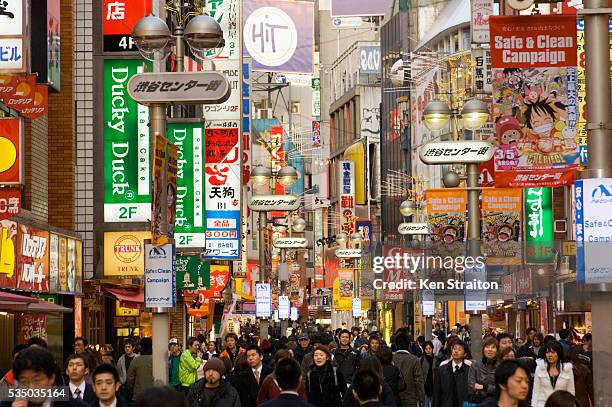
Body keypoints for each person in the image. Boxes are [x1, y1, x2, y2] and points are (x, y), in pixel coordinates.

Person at [0, 346, 88, 407]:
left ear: (51, 378)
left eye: (36, 380)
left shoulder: (72, 405)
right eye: (24, 381)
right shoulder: (8, 404)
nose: (31, 387)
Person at [532, 340, 575, 407]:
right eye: (547, 352)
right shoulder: (539, 368)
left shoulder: (567, 369)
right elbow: (536, 391)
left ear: (559, 353)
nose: (550, 355)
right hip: (542, 404)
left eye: (553, 352)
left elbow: (571, 391)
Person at [433, 340, 470, 407]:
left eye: (459, 349)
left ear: (465, 354)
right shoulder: (441, 370)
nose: (456, 351)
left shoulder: (469, 371)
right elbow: (436, 394)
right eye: (454, 348)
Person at [393, 332, 424, 407]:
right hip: (411, 399)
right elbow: (419, 381)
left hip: (393, 398)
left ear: (396, 345)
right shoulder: (414, 359)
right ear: (409, 344)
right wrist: (421, 399)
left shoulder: (391, 358)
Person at [468, 337, 498, 404]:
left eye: (493, 347)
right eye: (487, 347)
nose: (490, 349)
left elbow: (500, 388)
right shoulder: (475, 365)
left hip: (496, 402)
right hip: (477, 402)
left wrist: (484, 387)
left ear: (497, 350)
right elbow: (471, 387)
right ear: (483, 349)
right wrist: (491, 389)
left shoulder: (500, 367)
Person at [126, 337, 153, 402]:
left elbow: (130, 379)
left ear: (140, 347)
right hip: (153, 395)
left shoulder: (136, 360)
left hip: (138, 395)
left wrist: (133, 390)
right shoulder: (155, 360)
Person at [420, 341, 435, 407]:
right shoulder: (421, 360)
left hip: (434, 387)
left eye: (430, 348)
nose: (428, 350)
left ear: (432, 348)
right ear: (424, 350)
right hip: (425, 387)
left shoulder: (436, 360)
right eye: (426, 349)